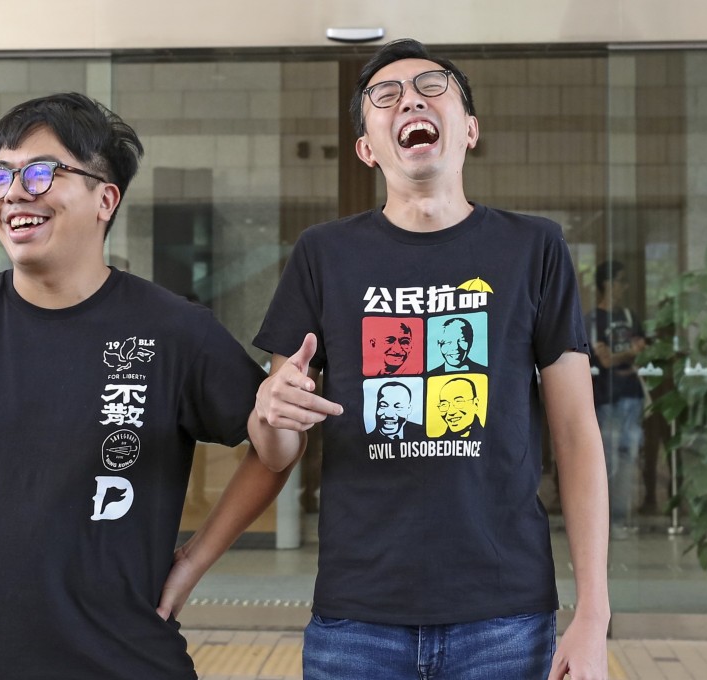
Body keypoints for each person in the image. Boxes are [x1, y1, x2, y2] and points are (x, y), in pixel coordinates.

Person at [0, 92, 298, 680]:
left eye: (41, 172)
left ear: (104, 199)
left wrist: (193, 560)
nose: (15, 192)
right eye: (1, 175)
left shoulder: (174, 331)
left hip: (126, 660)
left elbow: (272, 451)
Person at [249, 39, 609, 680]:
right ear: (367, 147)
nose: (410, 98)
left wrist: (594, 614)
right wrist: (269, 411)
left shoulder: (534, 248)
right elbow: (277, 449)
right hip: (357, 619)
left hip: (506, 617)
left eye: (431, 85)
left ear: (470, 129)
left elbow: (577, 435)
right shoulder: (323, 255)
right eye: (385, 96)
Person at [586, 260, 646, 539]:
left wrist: (624, 355)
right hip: (606, 396)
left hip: (632, 396)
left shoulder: (630, 316)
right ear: (607, 284)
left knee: (628, 457)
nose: (624, 287)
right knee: (608, 459)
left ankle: (621, 518)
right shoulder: (592, 320)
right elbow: (605, 360)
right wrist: (627, 355)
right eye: (621, 281)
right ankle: (605, 521)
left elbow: (644, 350)